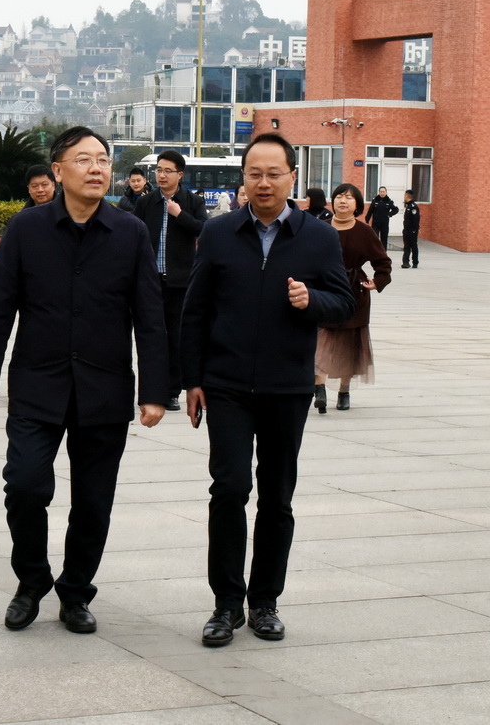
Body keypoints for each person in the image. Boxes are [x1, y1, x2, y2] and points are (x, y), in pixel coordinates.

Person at [0, 126, 169, 635]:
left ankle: (76, 591)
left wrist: (153, 390)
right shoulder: (27, 229)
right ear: (58, 171)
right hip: (38, 384)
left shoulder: (129, 232)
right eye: (84, 159)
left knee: (93, 502)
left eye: (103, 159)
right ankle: (31, 580)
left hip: (104, 389)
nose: (97, 168)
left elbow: (150, 316)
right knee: (24, 485)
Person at [181, 133, 355, 647]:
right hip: (227, 384)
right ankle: (225, 604)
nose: (263, 183)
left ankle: (264, 603)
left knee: (277, 496)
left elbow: (343, 303)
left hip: (287, 386)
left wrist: (311, 300)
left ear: (292, 177)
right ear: (244, 178)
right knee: (229, 489)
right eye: (254, 173)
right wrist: (192, 379)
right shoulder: (218, 233)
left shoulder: (318, 237)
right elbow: (195, 310)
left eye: (274, 174)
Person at [131, 150, 207, 412]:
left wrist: (179, 214)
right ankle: (151, 391)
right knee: (151, 339)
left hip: (180, 283)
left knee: (175, 339)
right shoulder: (146, 202)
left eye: (167, 171)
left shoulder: (192, 201)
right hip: (150, 282)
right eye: (159, 170)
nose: (161, 175)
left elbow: (204, 230)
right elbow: (133, 235)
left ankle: (172, 392)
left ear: (180, 174)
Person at [314, 183, 390, 413]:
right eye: (339, 196)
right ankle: (319, 389)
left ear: (357, 204)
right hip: (325, 289)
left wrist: (378, 281)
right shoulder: (320, 228)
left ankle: (344, 392)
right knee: (320, 339)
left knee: (349, 343)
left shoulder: (365, 232)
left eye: (348, 197)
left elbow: (382, 261)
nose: (343, 201)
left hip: (354, 291)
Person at [400, 189, 421, 269]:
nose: (404, 197)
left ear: (407, 196)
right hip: (406, 230)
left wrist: (414, 229)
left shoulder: (413, 207)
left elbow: (416, 219)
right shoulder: (408, 206)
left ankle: (415, 262)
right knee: (406, 246)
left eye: (405, 195)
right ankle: (405, 262)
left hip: (412, 231)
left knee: (413, 246)